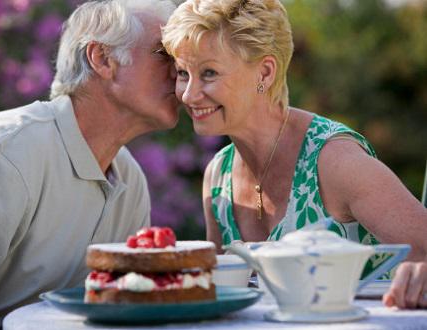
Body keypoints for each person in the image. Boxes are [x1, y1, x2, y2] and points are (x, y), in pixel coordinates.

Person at [0, 0, 178, 329]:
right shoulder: (9, 149)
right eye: (163, 54)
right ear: (102, 59)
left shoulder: (130, 178)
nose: (179, 71)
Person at [162, 0, 427, 309]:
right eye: (183, 73)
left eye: (209, 73)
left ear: (265, 72)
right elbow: (216, 293)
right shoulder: (218, 175)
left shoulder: (335, 161)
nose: (190, 95)